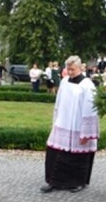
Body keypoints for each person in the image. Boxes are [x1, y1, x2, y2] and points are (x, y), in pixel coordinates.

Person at [41, 55, 99, 193]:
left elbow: (90, 109)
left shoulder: (87, 85)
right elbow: (59, 102)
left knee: (78, 156)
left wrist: (86, 132)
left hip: (78, 126)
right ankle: (53, 181)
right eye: (68, 69)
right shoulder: (64, 81)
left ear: (80, 68)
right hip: (63, 123)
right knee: (54, 153)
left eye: (72, 69)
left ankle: (78, 182)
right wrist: (55, 121)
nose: (70, 72)